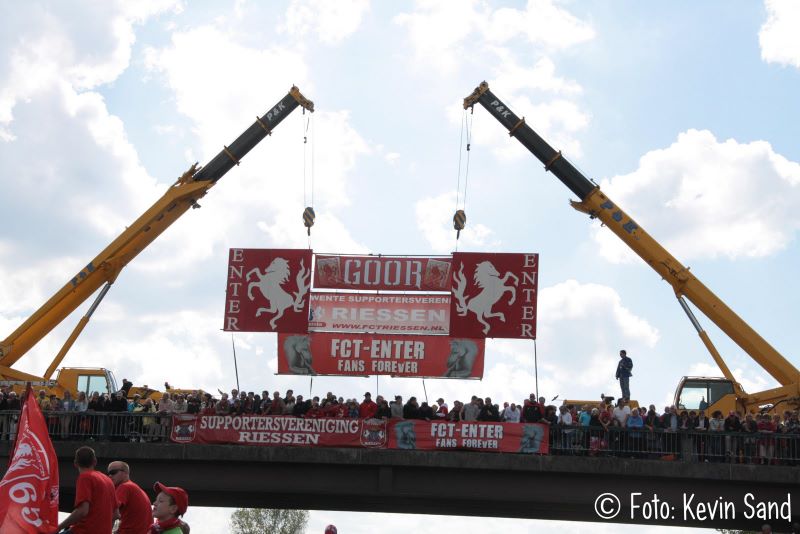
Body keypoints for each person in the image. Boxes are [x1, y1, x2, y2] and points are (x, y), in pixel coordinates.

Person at [57, 446, 119, 533]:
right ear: (95, 462)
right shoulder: (108, 480)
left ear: (75, 463)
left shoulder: (85, 477)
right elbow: (116, 514)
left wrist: (59, 527)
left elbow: (82, 511)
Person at [107, 460, 152, 534]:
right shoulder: (134, 487)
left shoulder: (124, 487)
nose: (110, 476)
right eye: (109, 473)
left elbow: (111, 513)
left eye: (113, 472)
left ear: (125, 472)